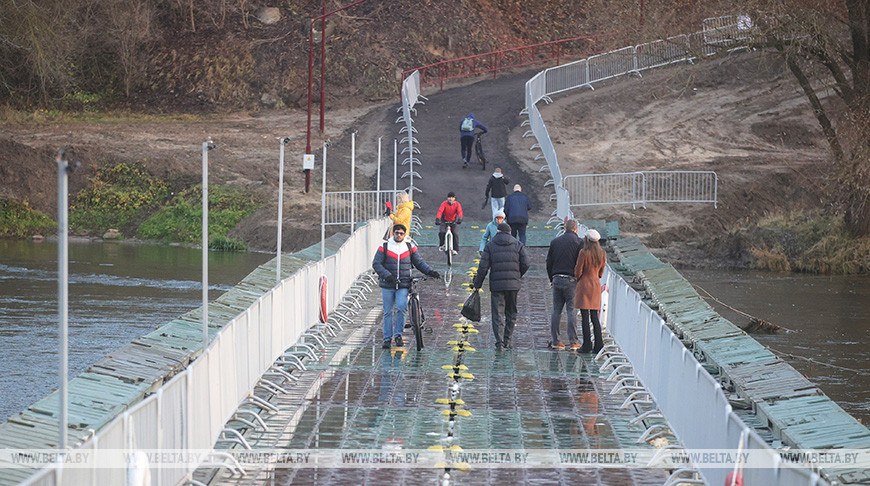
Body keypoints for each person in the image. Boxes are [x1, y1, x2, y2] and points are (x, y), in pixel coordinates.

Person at [372, 224, 440, 349]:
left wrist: (430, 271)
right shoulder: (384, 247)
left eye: (401, 233)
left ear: (405, 234)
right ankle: (387, 339)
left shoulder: (409, 247)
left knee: (402, 308)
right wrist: (387, 275)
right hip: (388, 284)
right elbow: (376, 264)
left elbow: (419, 262)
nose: (399, 235)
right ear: (393, 233)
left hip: (403, 284)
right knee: (387, 312)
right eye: (396, 233)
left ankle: (398, 335)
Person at [472, 223, 530, 351]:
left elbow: (483, 268)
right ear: (510, 232)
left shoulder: (490, 245)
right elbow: (526, 263)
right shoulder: (518, 244)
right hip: (513, 286)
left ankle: (499, 342)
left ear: (497, 232)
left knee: (497, 314)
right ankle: (507, 339)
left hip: (497, 285)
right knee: (511, 312)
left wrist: (477, 284)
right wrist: (518, 274)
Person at [546, 219, 583, 350]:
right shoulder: (579, 243)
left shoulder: (555, 242)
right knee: (571, 310)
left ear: (565, 228)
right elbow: (580, 263)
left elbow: (549, 262)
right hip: (571, 280)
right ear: (576, 229)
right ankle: (573, 341)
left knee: (556, 310)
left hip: (556, 278)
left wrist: (551, 278)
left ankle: (556, 341)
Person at [574, 229, 606, 353]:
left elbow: (578, 270)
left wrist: (578, 278)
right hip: (596, 285)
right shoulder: (602, 253)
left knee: (585, 316)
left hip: (584, 284)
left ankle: (587, 344)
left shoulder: (584, 252)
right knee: (594, 316)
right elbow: (601, 272)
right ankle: (599, 344)